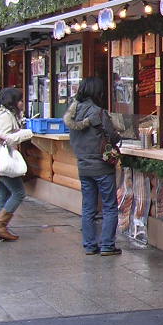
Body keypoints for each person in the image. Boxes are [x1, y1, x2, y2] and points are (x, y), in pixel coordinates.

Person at [64, 78, 122, 255]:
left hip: (83, 165)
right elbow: (112, 137)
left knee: (88, 207)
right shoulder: (98, 113)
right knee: (109, 206)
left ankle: (89, 245)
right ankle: (107, 245)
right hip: (102, 166)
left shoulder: (72, 114)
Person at [0, 87, 33, 243]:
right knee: (18, 192)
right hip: (2, 159)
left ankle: (0, 228)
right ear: (13, 102)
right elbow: (6, 138)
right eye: (21, 100)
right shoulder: (5, 117)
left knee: (4, 193)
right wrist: (27, 132)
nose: (23, 103)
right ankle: (1, 225)